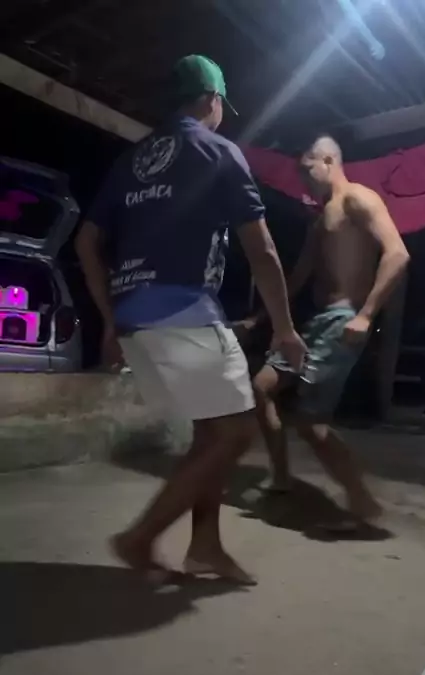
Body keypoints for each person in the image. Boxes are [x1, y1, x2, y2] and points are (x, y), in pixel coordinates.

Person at [75, 55, 305, 585]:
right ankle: (140, 537)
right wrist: (286, 329)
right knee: (236, 433)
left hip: (133, 316)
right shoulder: (218, 151)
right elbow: (263, 251)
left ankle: (205, 548)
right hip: (183, 309)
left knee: (211, 433)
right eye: (221, 102)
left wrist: (108, 320)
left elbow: (86, 242)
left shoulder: (131, 160)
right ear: (211, 99)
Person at [252, 135, 410, 523]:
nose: (303, 179)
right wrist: (263, 319)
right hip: (317, 321)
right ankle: (281, 476)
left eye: (307, 170)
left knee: (310, 422)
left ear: (327, 160)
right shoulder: (320, 219)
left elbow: (397, 254)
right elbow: (298, 278)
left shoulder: (359, 198)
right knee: (262, 387)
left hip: (344, 320)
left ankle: (362, 502)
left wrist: (366, 314)